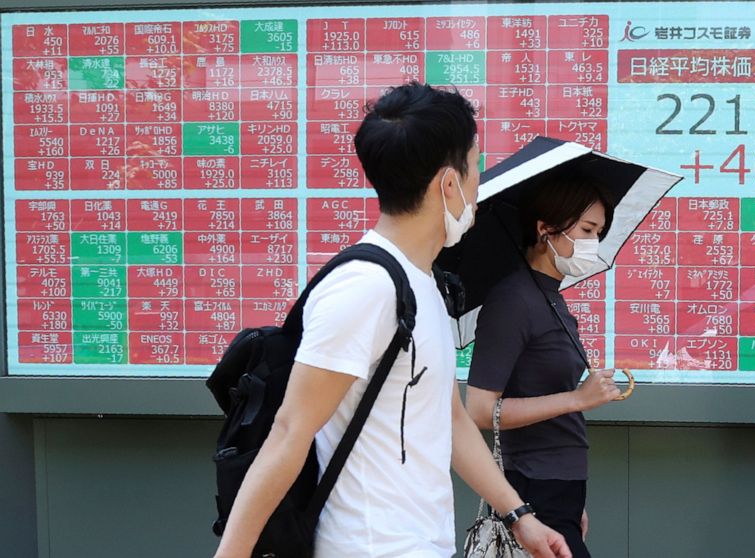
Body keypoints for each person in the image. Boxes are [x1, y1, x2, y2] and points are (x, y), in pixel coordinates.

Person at [213, 82, 571, 558]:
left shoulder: (422, 282)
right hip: (368, 546)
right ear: (449, 184)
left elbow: (449, 417)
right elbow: (288, 433)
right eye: (475, 166)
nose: (477, 186)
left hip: (422, 543)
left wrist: (519, 516)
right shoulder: (365, 287)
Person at [465, 167, 620, 558]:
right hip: (534, 485)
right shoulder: (513, 300)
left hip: (560, 488)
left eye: (599, 232)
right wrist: (577, 399)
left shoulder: (550, 297)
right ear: (545, 229)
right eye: (586, 230)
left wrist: (571, 502)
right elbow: (480, 410)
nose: (593, 242)